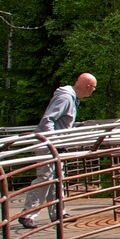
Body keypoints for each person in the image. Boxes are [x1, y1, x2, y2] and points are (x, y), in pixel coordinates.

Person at [19, 72, 97, 229]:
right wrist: (54, 142)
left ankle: (58, 213)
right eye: (93, 88)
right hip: (49, 145)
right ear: (88, 87)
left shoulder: (71, 98)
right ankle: (28, 214)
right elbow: (48, 119)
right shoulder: (66, 97)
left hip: (54, 145)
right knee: (46, 178)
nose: (93, 92)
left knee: (57, 178)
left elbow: (61, 121)